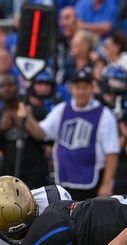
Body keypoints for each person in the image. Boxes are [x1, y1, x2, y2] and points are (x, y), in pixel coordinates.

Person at [20, 68, 120, 201]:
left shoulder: (104, 114)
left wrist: (106, 184)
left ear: (92, 89)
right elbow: (41, 133)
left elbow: (112, 152)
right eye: (78, 87)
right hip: (64, 181)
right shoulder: (61, 110)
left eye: (85, 87)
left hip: (92, 183)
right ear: (72, 89)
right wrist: (28, 118)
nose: (81, 92)